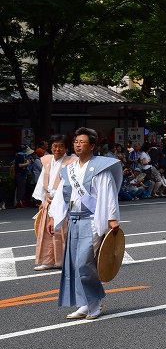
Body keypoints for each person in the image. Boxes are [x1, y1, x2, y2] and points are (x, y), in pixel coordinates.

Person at [48, 127, 121, 320]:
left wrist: (112, 218)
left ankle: (95, 302)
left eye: (82, 142)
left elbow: (109, 194)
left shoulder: (100, 168)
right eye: (76, 142)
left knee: (84, 262)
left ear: (93, 146)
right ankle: (84, 304)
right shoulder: (70, 169)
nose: (77, 145)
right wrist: (54, 217)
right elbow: (62, 196)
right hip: (73, 219)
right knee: (73, 263)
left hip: (91, 219)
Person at [31, 134, 77, 271]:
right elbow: (42, 183)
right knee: (46, 233)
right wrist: (43, 198)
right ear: (50, 147)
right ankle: (47, 261)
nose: (57, 149)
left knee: (62, 232)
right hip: (49, 201)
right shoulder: (46, 161)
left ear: (66, 148)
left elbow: (72, 183)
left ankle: (64, 261)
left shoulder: (72, 162)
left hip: (63, 201)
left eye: (61, 146)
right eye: (55, 146)